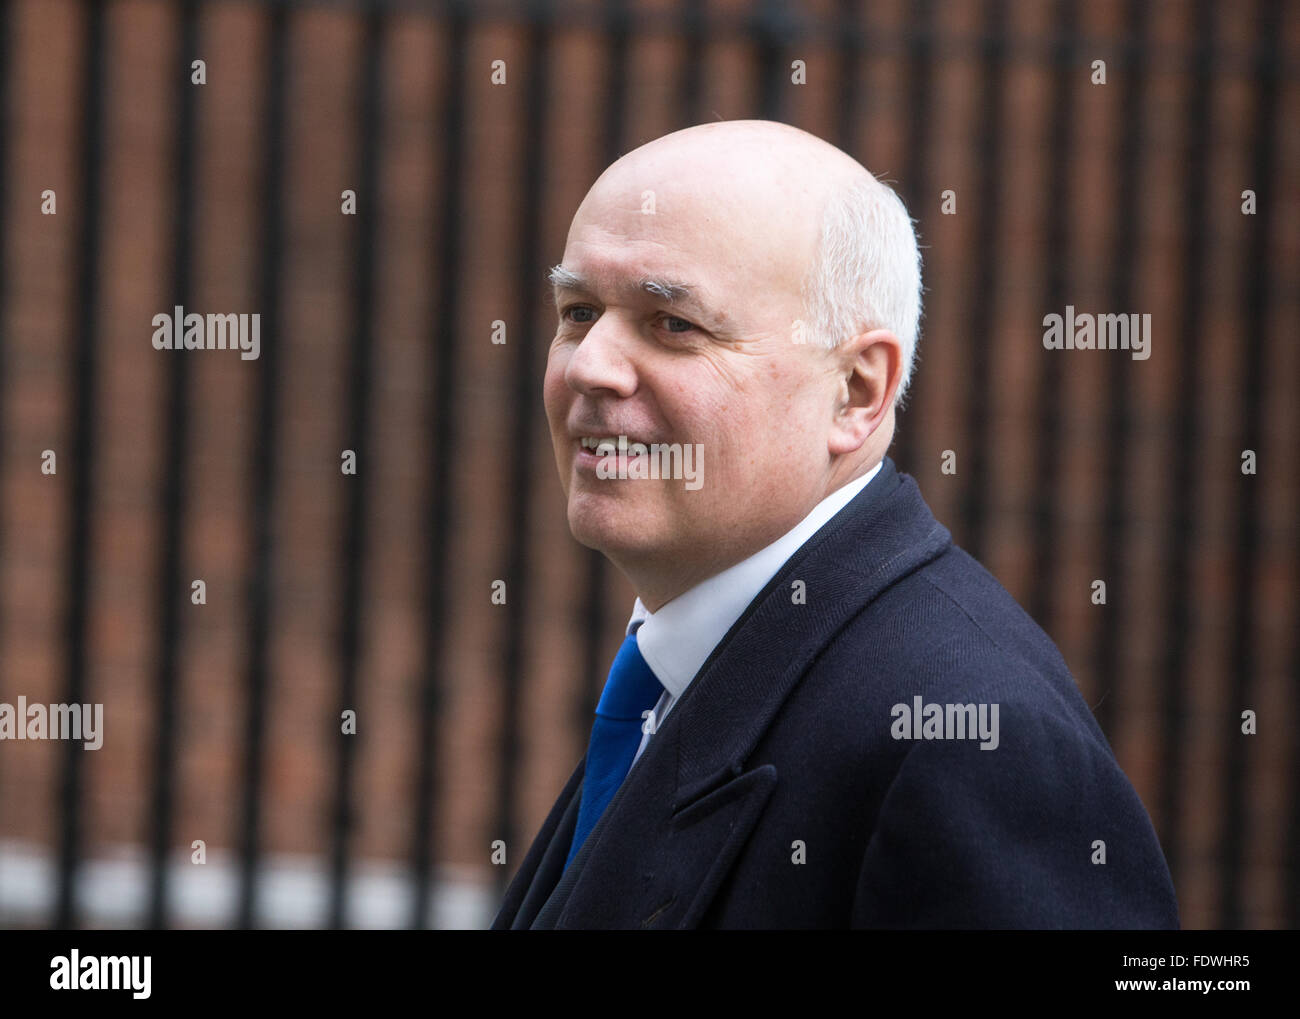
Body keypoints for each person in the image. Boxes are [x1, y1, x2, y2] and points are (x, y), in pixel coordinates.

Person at [492, 119, 1179, 929]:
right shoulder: (686, 671)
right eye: (577, 312)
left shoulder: (971, 743)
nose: (591, 365)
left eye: (673, 323)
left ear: (856, 390)